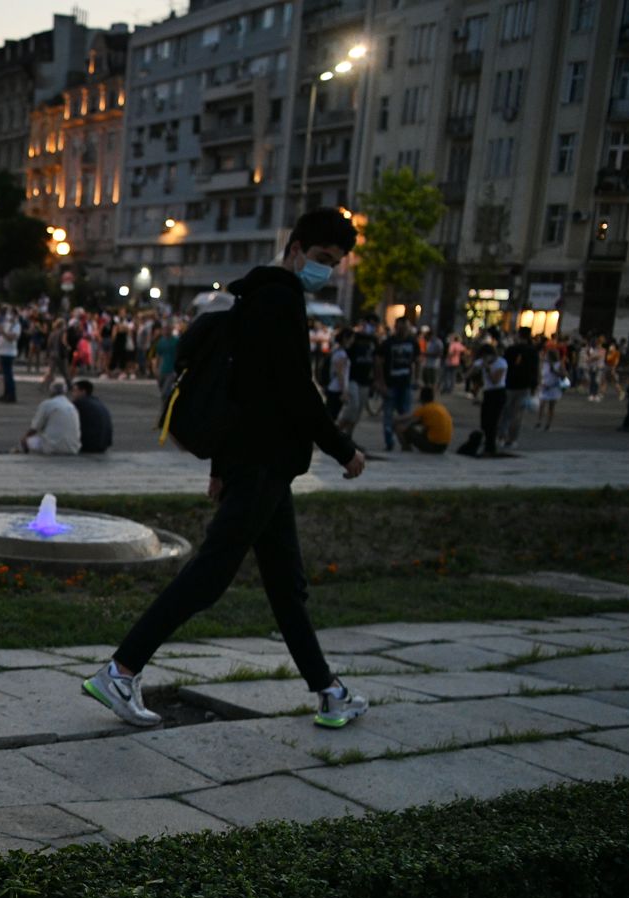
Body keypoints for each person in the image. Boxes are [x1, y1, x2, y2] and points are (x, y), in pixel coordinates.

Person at [83, 208, 369, 732]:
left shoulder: (255, 296)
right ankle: (121, 671)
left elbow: (242, 390)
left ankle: (330, 693)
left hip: (260, 463)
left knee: (286, 586)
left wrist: (221, 465)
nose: (325, 270)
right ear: (296, 248)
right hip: (263, 462)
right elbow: (295, 391)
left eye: (334, 263)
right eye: (321, 258)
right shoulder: (281, 299)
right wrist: (342, 448)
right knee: (212, 574)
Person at [458, 343, 508, 457]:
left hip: (498, 393)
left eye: (485, 356)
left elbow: (495, 380)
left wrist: (487, 368)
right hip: (488, 393)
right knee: (485, 421)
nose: (484, 359)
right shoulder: (481, 362)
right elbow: (472, 371)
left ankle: (491, 447)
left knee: (493, 421)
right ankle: (486, 444)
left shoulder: (501, 363)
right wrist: (464, 376)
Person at [378, 317, 418, 452]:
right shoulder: (388, 343)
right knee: (388, 414)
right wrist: (381, 383)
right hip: (390, 384)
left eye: (405, 327)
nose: (403, 330)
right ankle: (389, 441)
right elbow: (378, 362)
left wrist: (417, 379)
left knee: (405, 414)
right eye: (401, 327)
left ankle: (404, 441)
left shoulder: (412, 342)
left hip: (405, 383)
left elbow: (417, 361)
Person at [16, 379, 81, 454]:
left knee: (26, 441)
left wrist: (24, 438)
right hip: (73, 448)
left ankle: (21, 452)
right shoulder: (71, 406)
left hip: (52, 446)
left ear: (51, 391)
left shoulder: (47, 404)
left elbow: (35, 427)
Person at [394, 385, 452, 453]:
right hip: (443, 447)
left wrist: (393, 419)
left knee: (399, 426)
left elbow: (406, 420)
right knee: (422, 425)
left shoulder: (424, 409)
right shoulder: (440, 407)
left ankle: (406, 449)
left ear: (421, 398)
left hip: (433, 447)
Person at [73, 378, 114, 453]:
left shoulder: (79, 403)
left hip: (89, 445)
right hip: (104, 444)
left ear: (83, 391)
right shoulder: (98, 402)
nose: (73, 394)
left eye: (75, 391)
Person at [0, 307, 21, 403]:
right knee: (5, 375)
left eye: (10, 313)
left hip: (9, 353)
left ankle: (11, 395)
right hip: (2, 351)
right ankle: (6, 393)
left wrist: (2, 331)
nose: (8, 316)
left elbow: (11, 338)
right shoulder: (7, 323)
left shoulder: (16, 325)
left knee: (8, 375)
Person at [535, 352, 564, 430]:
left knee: (551, 407)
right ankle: (539, 421)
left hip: (554, 387)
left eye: (547, 356)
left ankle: (548, 423)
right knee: (541, 405)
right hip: (544, 386)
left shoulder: (559, 364)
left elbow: (564, 375)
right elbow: (540, 375)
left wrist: (554, 371)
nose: (546, 357)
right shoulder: (544, 364)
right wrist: (540, 383)